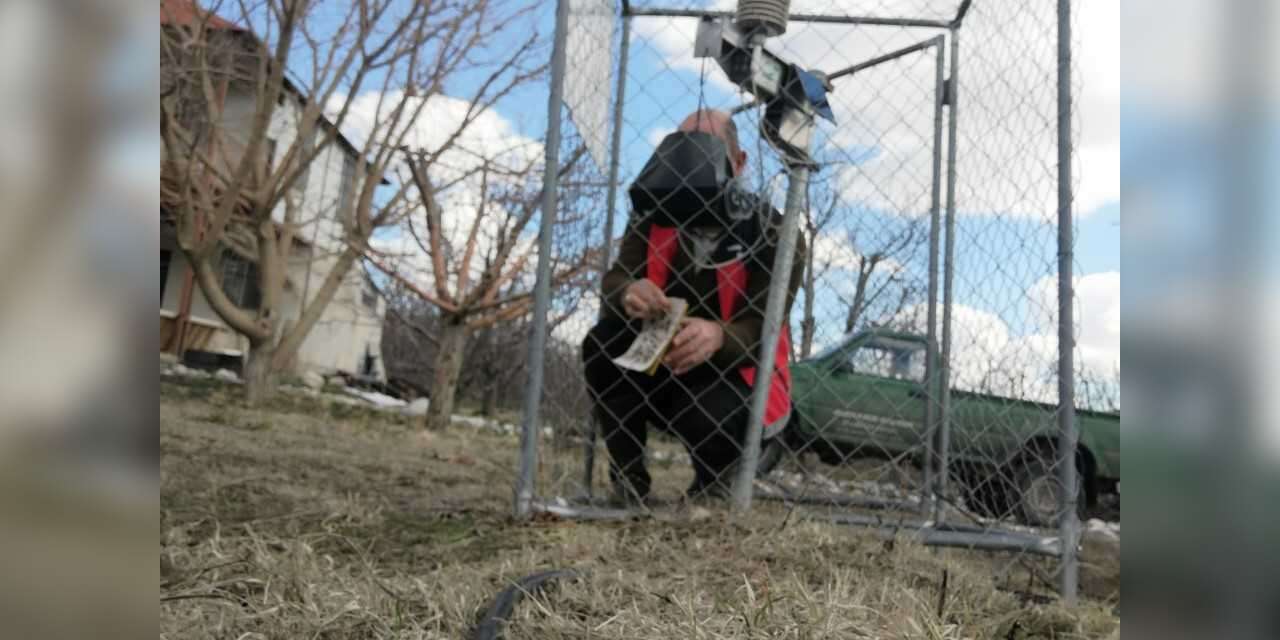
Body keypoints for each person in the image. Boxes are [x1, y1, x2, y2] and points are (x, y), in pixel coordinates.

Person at [581, 109, 806, 505]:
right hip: (663, 363)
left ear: (738, 163)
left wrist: (719, 335)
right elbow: (615, 279)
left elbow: (764, 326)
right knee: (602, 344)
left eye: (707, 151)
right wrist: (630, 291)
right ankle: (629, 483)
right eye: (682, 149)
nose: (693, 162)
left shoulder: (775, 231)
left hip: (734, 379)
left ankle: (717, 483)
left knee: (706, 410)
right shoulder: (652, 216)